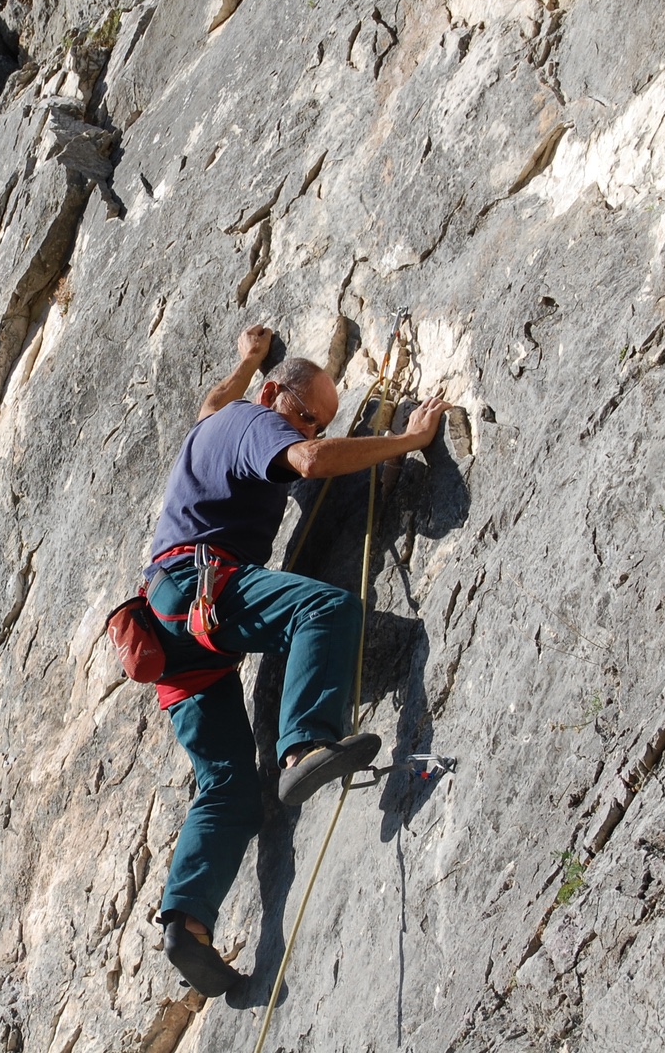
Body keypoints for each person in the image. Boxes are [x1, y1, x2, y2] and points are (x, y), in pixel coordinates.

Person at [146, 324, 452, 996]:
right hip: (204, 589)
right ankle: (303, 748)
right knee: (327, 609)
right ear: (273, 395)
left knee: (227, 789)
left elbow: (208, 400)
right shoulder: (257, 422)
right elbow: (312, 463)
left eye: (318, 422)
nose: (309, 430)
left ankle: (187, 921)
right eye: (306, 415)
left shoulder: (221, 420)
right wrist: (409, 440)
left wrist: (245, 353)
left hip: (172, 629)